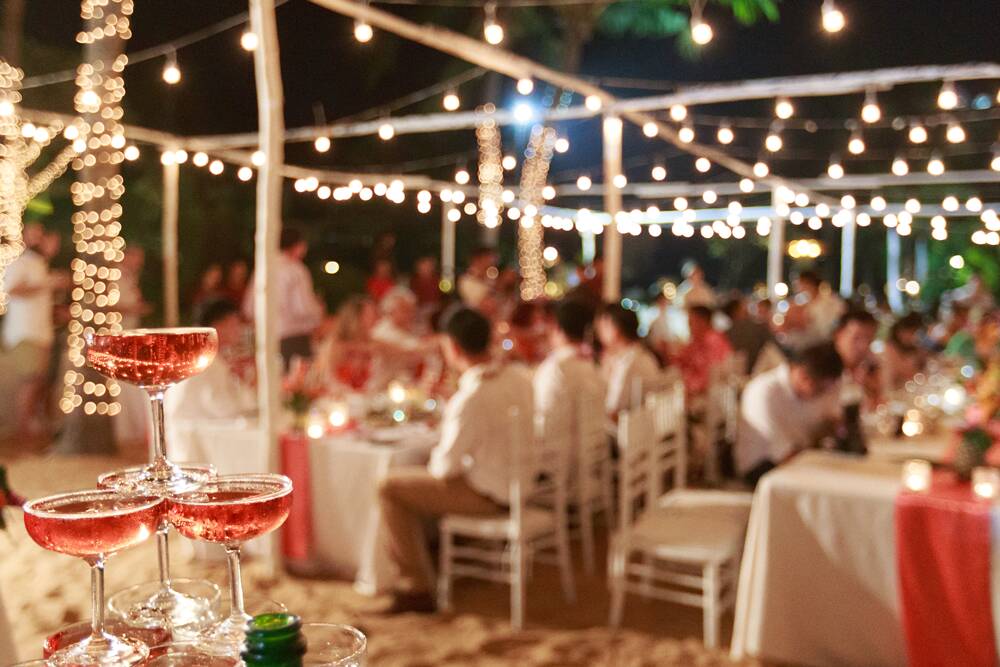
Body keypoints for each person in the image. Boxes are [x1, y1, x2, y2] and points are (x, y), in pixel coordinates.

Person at [377, 307, 534, 613]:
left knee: (388, 487)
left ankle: (416, 585)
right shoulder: (517, 377)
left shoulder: (472, 396)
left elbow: (443, 469)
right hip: (521, 483)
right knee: (415, 467)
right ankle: (434, 560)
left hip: (490, 494)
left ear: (453, 347)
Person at [735, 342, 844, 487]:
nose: (823, 394)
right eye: (819, 389)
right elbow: (783, 454)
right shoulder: (764, 391)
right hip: (763, 467)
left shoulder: (824, 388)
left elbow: (833, 425)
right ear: (802, 374)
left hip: (800, 459)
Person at [165, 299, 257, 427]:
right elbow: (223, 408)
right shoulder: (205, 362)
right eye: (235, 324)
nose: (240, 330)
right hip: (193, 436)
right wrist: (251, 386)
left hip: (196, 430)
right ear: (219, 326)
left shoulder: (200, 356)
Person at [243, 228, 324, 368]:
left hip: (265, 338)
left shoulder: (263, 268)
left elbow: (249, 308)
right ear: (298, 245)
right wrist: (319, 310)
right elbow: (303, 309)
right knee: (297, 386)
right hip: (294, 338)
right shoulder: (295, 270)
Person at [534, 300, 604, 462]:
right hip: (590, 457)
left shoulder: (555, 369)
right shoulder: (591, 365)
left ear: (557, 328)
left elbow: (544, 425)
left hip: (559, 464)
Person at [3, 228, 56, 438]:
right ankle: (24, 434)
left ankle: (33, 430)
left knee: (39, 382)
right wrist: (46, 284)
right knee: (31, 381)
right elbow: (13, 290)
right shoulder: (22, 263)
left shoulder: (40, 265)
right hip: (25, 334)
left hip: (40, 333)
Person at [597, 303, 662, 419]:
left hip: (628, 431)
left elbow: (613, 409)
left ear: (614, 328)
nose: (599, 333)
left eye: (602, 326)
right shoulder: (644, 355)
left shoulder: (627, 363)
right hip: (645, 426)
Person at [672, 305, 732, 399]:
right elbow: (681, 364)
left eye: (691, 322)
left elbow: (708, 378)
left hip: (709, 398)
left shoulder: (713, 342)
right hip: (697, 394)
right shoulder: (697, 341)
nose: (689, 326)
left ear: (702, 322)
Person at [781, 271, 846, 350]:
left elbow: (835, 325)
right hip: (805, 346)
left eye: (800, 284)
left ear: (809, 283)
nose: (798, 289)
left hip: (828, 345)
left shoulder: (832, 302)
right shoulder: (799, 304)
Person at [833, 309, 880, 406]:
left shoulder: (868, 367)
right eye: (856, 338)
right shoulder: (823, 371)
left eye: (869, 339)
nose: (863, 346)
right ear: (838, 335)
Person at [723, 296, 773, 374]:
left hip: (736, 377)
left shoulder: (725, 334)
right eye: (744, 306)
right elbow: (772, 347)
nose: (748, 308)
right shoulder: (758, 328)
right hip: (759, 375)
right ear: (736, 311)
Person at [881, 312, 927, 392]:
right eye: (910, 332)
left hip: (912, 389)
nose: (912, 336)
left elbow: (924, 364)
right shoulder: (889, 347)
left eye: (914, 332)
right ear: (900, 331)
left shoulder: (914, 345)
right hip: (895, 391)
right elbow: (906, 372)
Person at [371, 287, 422, 351]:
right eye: (405, 310)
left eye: (411, 311)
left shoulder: (413, 328)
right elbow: (410, 351)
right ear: (391, 310)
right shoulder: (380, 332)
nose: (410, 315)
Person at [117, 246, 150, 329]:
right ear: (126, 256)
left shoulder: (132, 276)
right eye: (137, 258)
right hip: (116, 329)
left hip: (130, 327)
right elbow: (103, 307)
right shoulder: (114, 275)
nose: (140, 262)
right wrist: (130, 309)